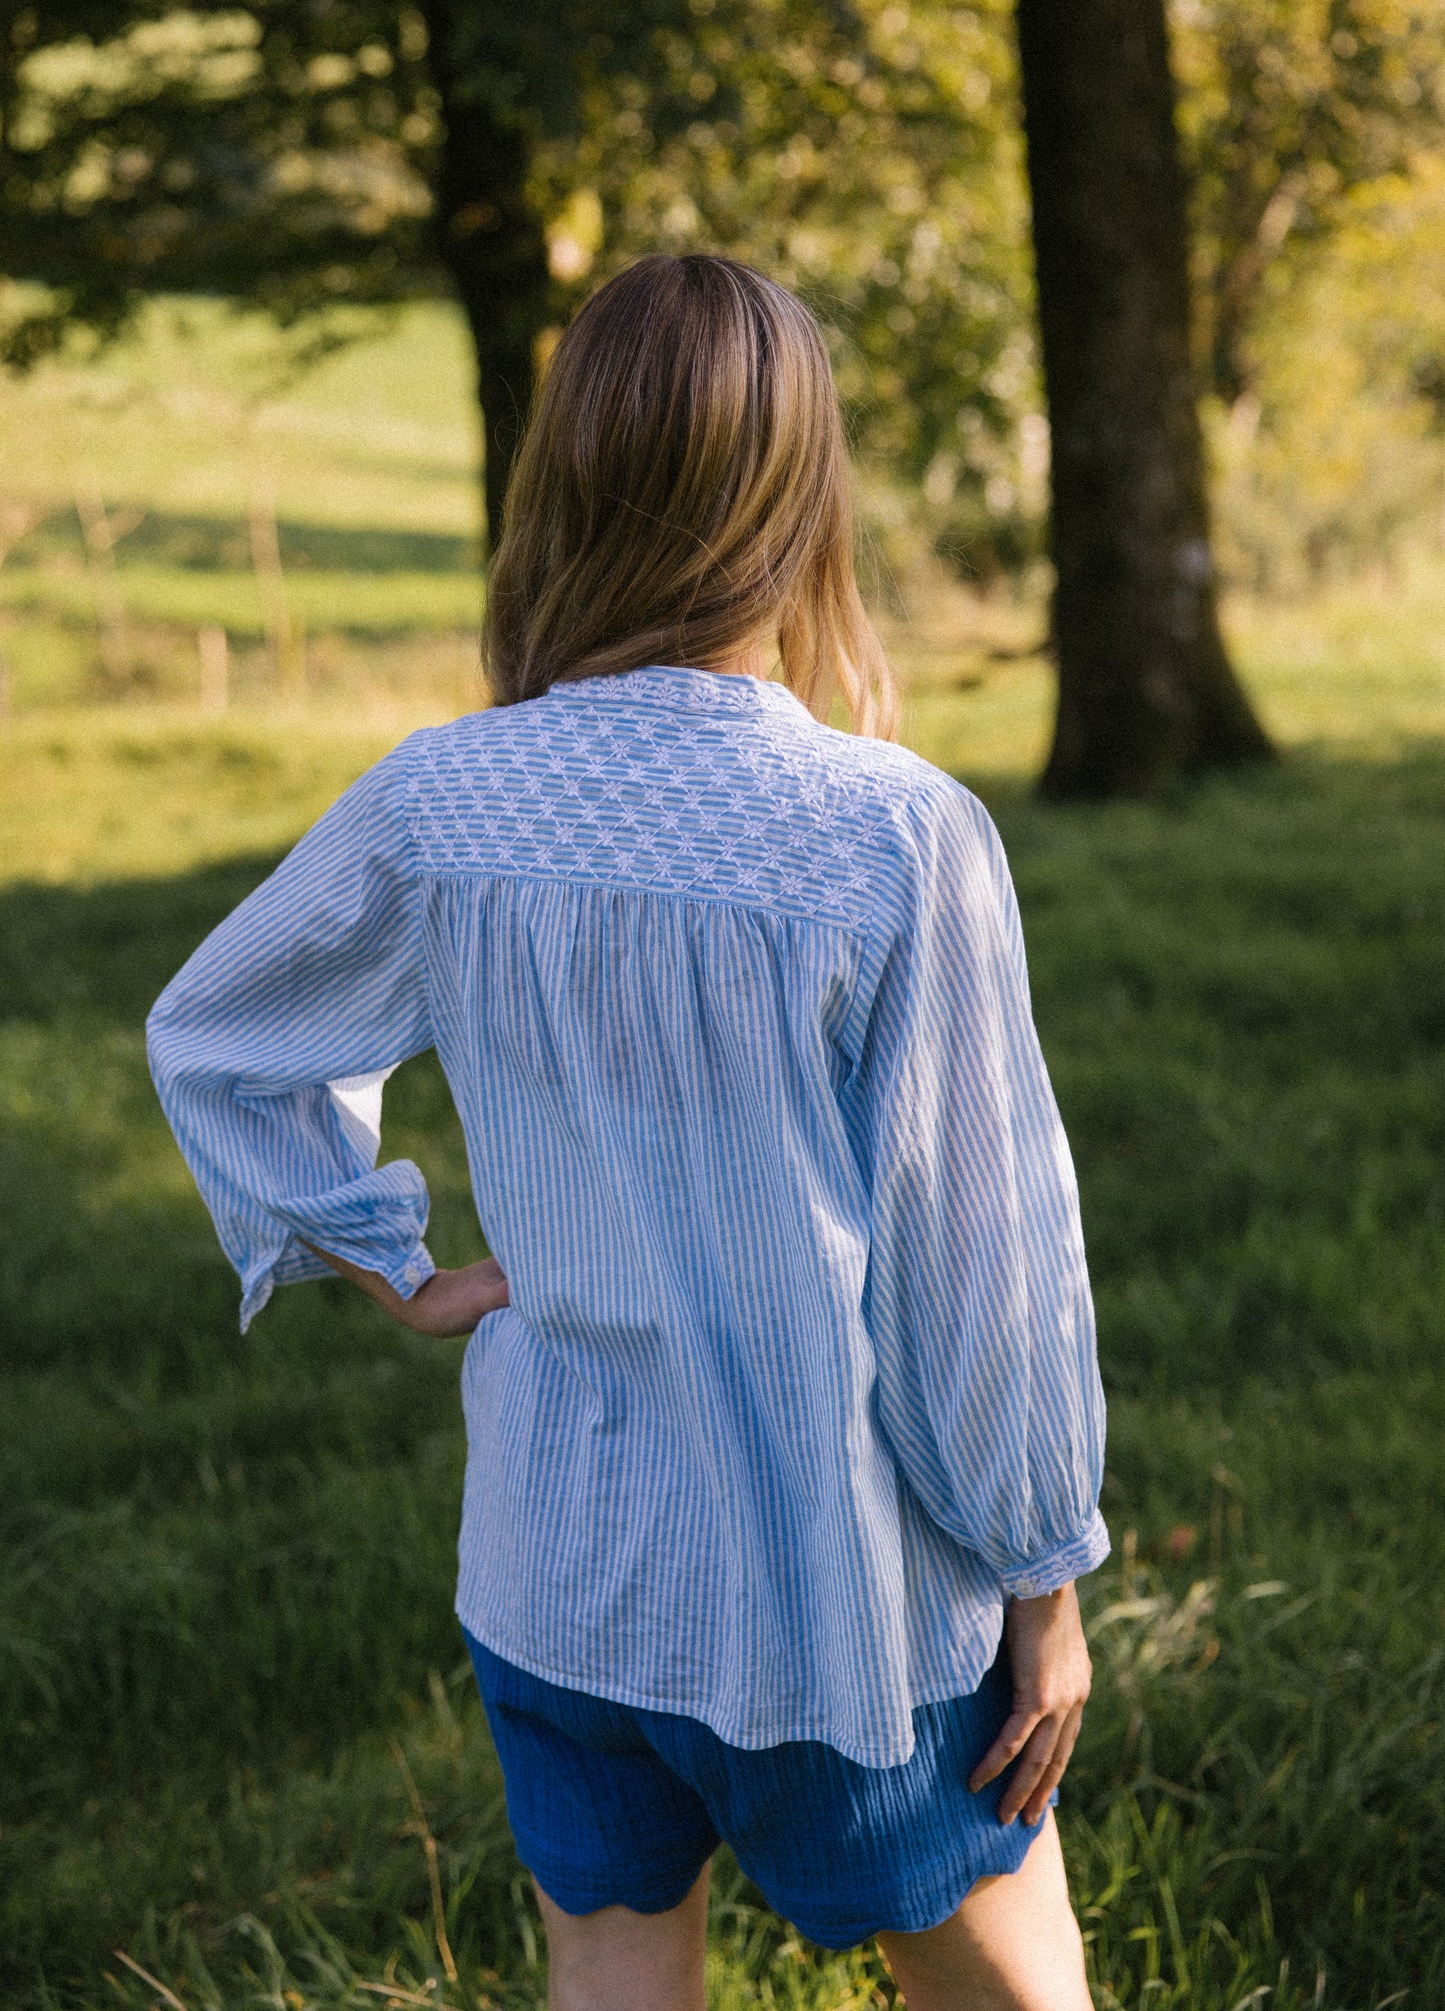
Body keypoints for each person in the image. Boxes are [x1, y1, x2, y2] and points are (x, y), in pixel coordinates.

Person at [147, 253, 1108, 2011]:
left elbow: (219, 1036)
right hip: (831, 1611)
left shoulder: (441, 800)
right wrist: (1043, 1572)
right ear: (798, 497)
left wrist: (389, 1263)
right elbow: (984, 1263)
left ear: (561, 482)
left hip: (557, 1579)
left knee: (608, 1966)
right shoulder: (887, 835)